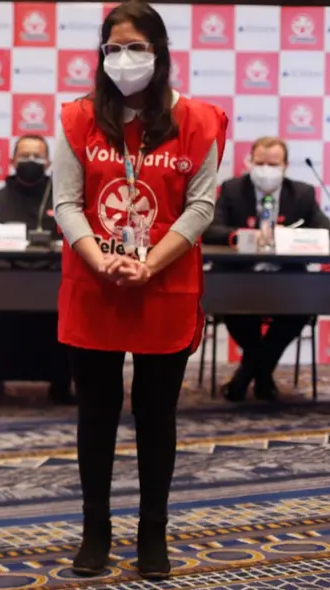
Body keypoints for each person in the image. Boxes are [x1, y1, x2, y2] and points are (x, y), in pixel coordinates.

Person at [52, 0, 227, 580]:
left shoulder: (199, 120)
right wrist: (98, 257)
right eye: (114, 48)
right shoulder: (78, 118)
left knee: (156, 414)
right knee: (96, 414)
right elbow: (67, 203)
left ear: (161, 53)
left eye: (136, 47)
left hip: (165, 285)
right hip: (94, 281)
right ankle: (95, 531)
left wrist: (149, 263)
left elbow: (201, 206)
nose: (124, 59)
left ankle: (153, 531)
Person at [203, 136, 330, 402]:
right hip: (238, 280)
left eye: (273, 164)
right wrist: (241, 236)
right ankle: (262, 377)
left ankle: (247, 375)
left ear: (285, 166)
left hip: (288, 283)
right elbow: (211, 230)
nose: (265, 170)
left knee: (299, 312)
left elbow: (324, 231)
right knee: (237, 312)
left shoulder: (303, 193)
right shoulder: (232, 190)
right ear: (249, 161)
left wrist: (291, 237)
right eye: (260, 163)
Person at [0, 135, 74, 404]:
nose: (30, 161)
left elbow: (72, 243)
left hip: (51, 283)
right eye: (24, 156)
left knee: (68, 307)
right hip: (5, 285)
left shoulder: (63, 201)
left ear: (48, 162)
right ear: (12, 161)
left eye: (37, 156)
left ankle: (61, 383)